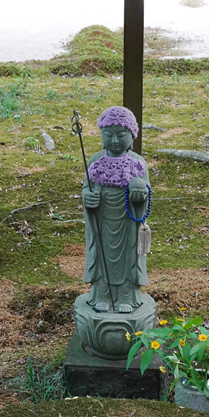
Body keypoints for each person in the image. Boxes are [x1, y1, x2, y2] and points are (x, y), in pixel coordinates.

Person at [82, 106, 150, 313]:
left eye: (121, 135)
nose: (114, 140)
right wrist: (88, 198)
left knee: (129, 257)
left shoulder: (138, 163)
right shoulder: (95, 162)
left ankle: (126, 297)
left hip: (128, 221)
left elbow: (146, 192)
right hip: (102, 220)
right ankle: (101, 295)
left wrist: (140, 195)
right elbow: (86, 188)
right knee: (102, 256)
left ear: (132, 135)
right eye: (108, 134)